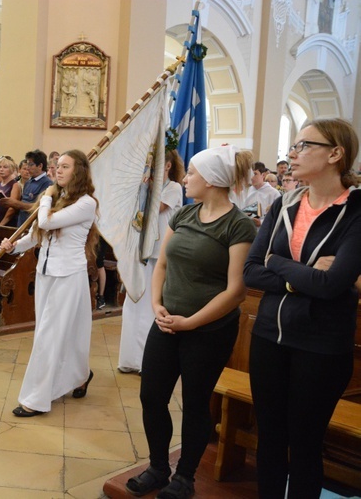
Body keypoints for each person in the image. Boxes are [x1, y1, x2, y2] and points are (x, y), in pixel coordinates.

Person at [126, 145, 255, 499]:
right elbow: (163, 265)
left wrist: (191, 322)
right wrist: (156, 305)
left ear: (212, 180)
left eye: (192, 173)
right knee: (151, 396)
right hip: (167, 323)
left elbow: (236, 291)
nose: (185, 178)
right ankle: (157, 467)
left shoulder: (238, 225)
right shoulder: (184, 214)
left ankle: (185, 477)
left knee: (196, 403)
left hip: (209, 330)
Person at [243, 118, 361, 499]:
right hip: (268, 338)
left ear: (335, 154)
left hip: (321, 346)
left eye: (303, 146)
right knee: (270, 439)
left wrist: (277, 262)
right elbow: (250, 271)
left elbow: (332, 285)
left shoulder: (356, 211)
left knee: (306, 444)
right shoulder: (284, 203)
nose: (291, 154)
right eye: (292, 147)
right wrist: (299, 275)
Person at [0, 150, 99, 416]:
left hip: (68, 275)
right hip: (46, 273)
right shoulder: (60, 197)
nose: (58, 170)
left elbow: (45, 220)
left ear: (79, 171)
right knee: (60, 333)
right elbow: (37, 234)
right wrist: (13, 246)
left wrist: (44, 199)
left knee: (49, 336)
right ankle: (80, 375)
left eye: (65, 166)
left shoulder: (86, 203)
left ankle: (36, 399)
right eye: (57, 166)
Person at [118, 149, 184, 374]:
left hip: (160, 252)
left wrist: (145, 187)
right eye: (148, 163)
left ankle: (145, 361)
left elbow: (158, 208)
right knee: (134, 300)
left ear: (167, 165)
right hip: (140, 248)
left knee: (150, 304)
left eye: (154, 163)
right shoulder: (144, 186)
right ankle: (129, 359)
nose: (150, 167)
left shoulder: (174, 187)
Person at [1, 149, 52, 226]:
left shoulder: (47, 183)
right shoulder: (28, 182)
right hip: (21, 224)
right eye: (27, 164)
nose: (27, 168)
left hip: (33, 227)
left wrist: (16, 203)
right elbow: (24, 201)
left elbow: (39, 207)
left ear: (40, 166)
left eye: (31, 165)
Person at [0, 156, 22, 226]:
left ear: (11, 169)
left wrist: (1, 225)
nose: (1, 169)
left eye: (5, 167)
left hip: (7, 223)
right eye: (0, 167)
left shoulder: (15, 185)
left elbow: (12, 208)